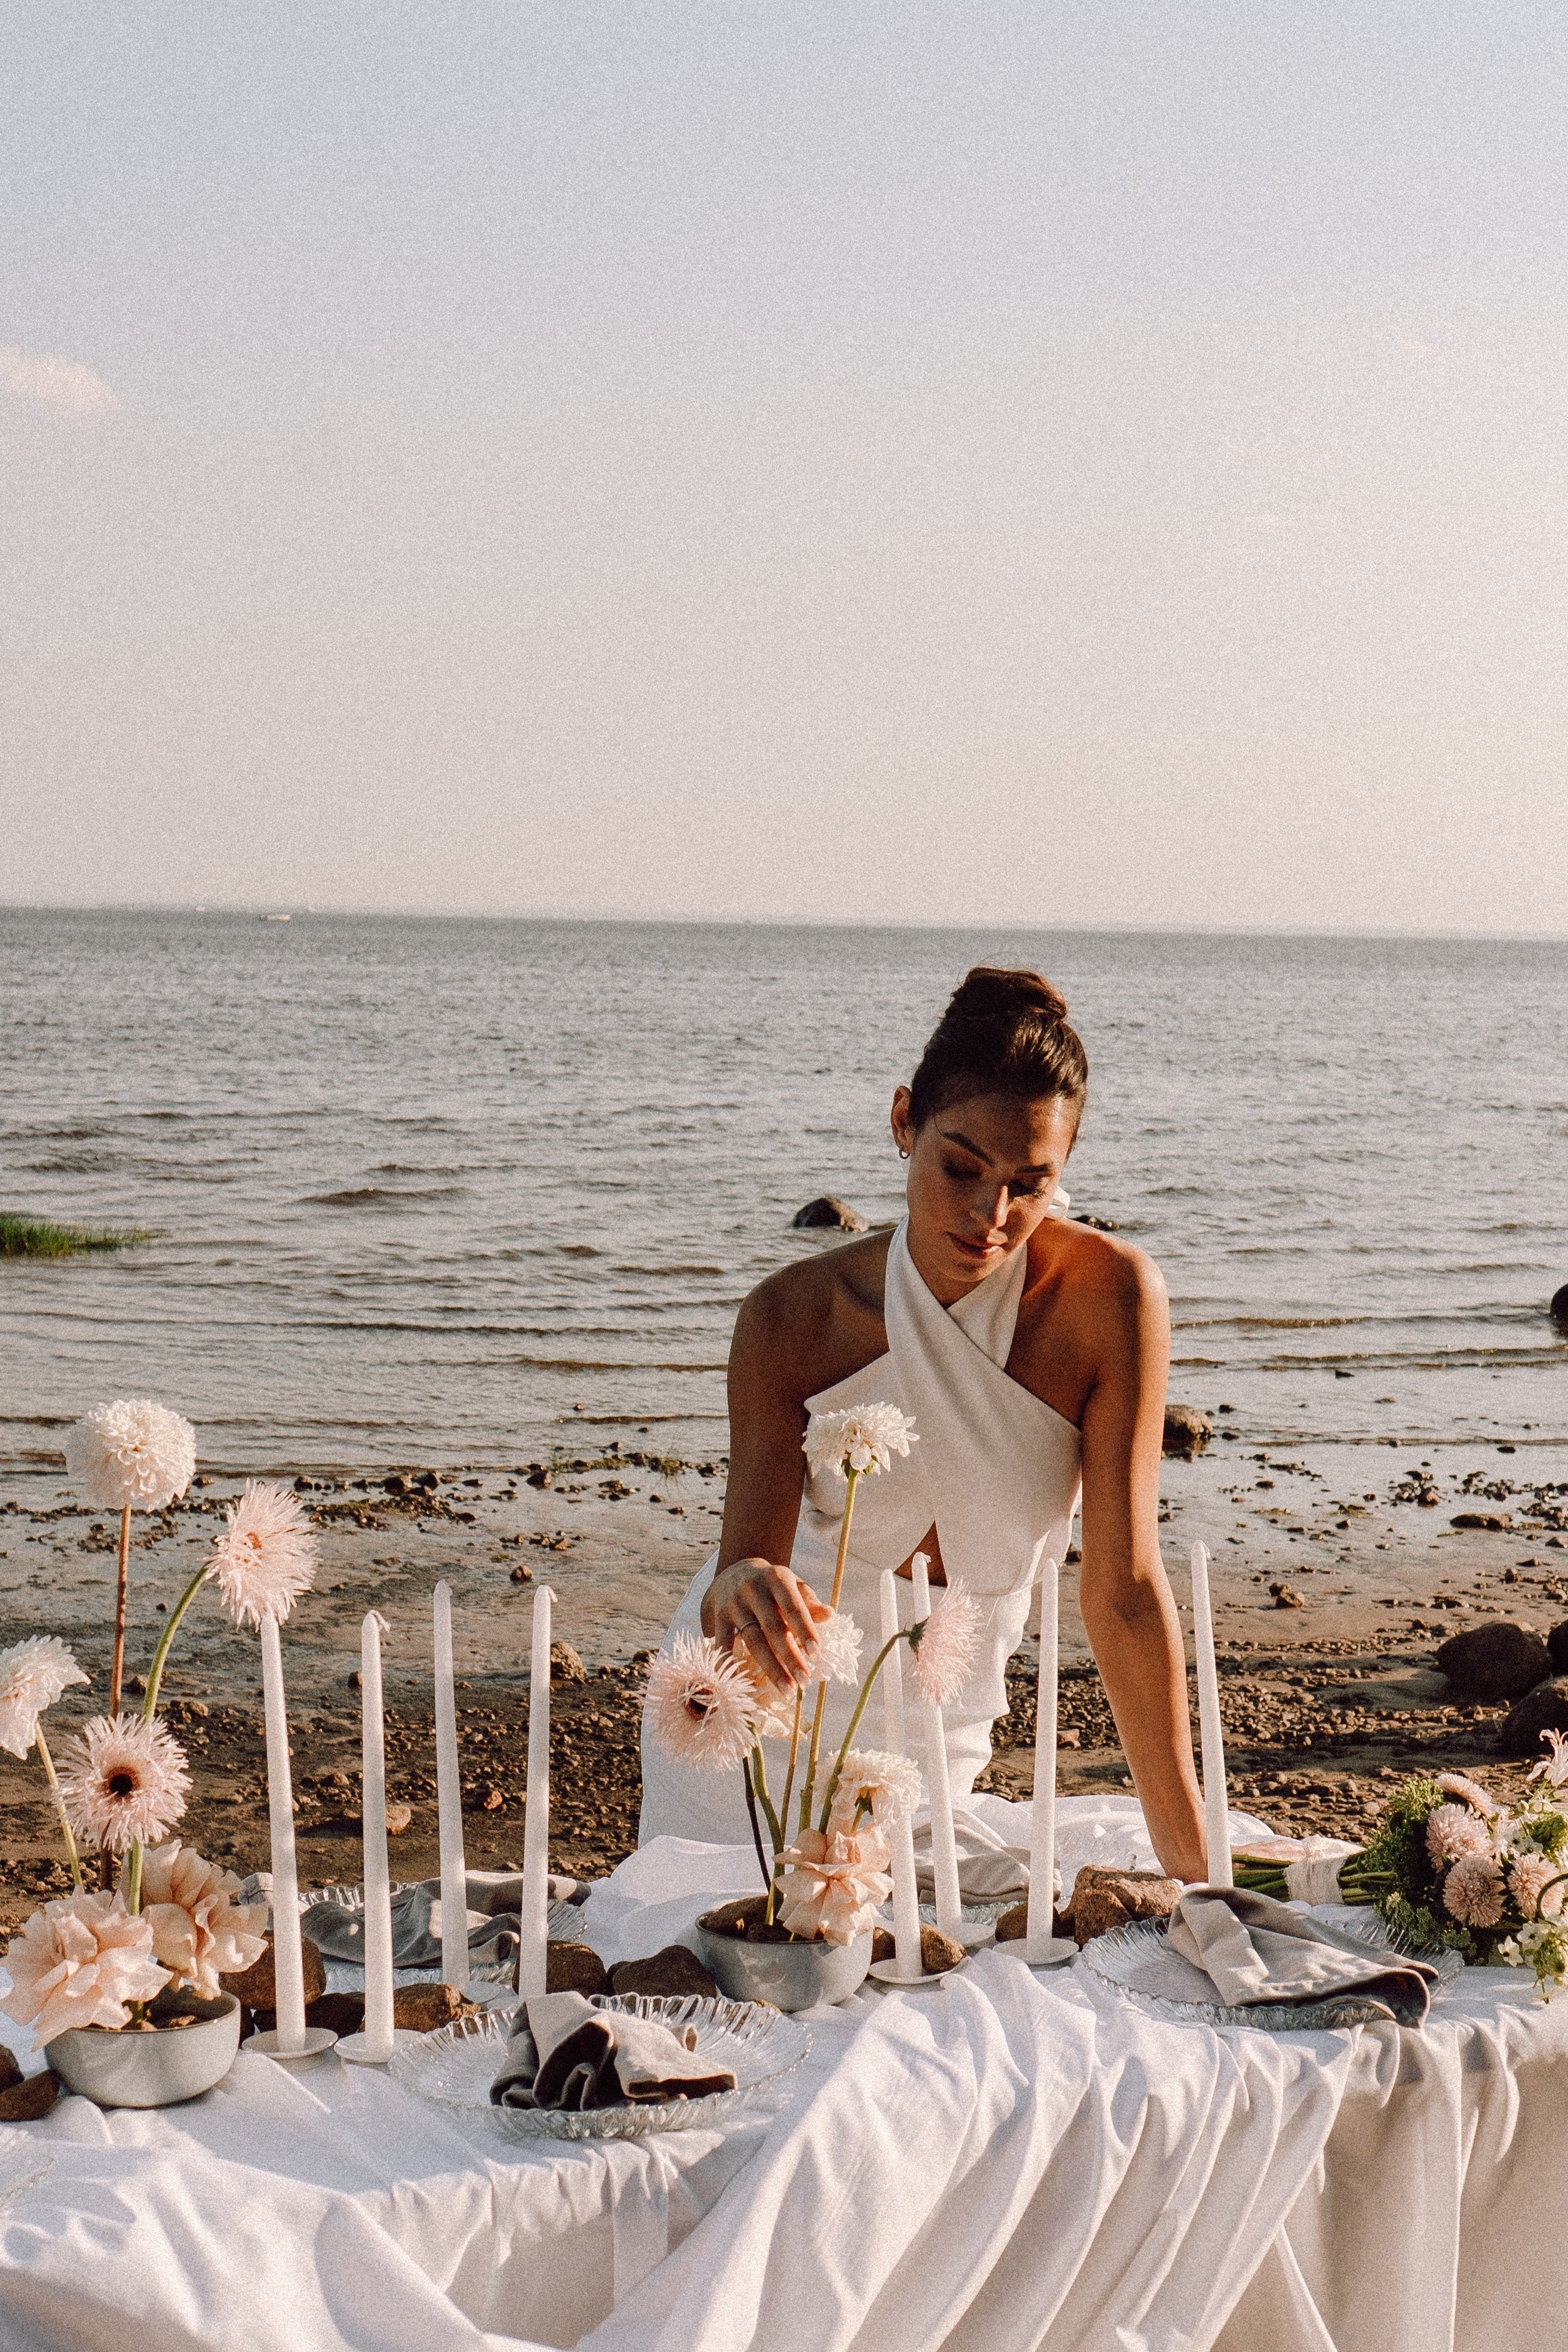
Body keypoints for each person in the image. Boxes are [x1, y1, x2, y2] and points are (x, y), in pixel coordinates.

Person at [638, 966, 1208, 1882]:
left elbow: (1125, 1591)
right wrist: (741, 1581)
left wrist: (1195, 1860)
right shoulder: (790, 1321)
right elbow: (735, 1587)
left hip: (935, 1740)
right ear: (903, 1121)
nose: (992, 1218)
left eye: (1031, 1183)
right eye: (961, 1168)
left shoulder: (1111, 1304)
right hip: (756, 1741)